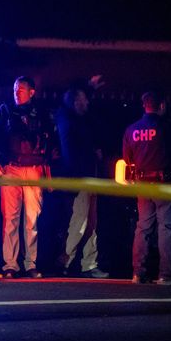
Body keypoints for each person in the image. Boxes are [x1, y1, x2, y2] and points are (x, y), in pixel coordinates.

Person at [0, 76, 56, 279]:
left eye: (22, 89)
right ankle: (10, 265)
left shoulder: (42, 112)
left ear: (32, 92)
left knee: (32, 219)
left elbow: (52, 143)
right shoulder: (4, 110)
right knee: (10, 219)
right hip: (11, 169)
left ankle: (30, 263)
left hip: (34, 169)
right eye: (15, 88)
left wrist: (47, 171)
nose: (17, 92)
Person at [123, 91, 171, 285]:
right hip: (163, 183)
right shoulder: (166, 128)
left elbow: (127, 159)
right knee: (165, 227)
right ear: (162, 106)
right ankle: (166, 275)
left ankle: (138, 273)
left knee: (143, 227)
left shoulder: (131, 129)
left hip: (142, 183)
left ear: (144, 106)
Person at [55, 86, 109, 278]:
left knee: (91, 223)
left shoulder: (80, 121)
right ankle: (65, 261)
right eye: (84, 99)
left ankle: (89, 264)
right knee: (80, 222)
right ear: (76, 101)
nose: (88, 103)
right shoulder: (67, 119)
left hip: (89, 177)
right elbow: (70, 151)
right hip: (79, 179)